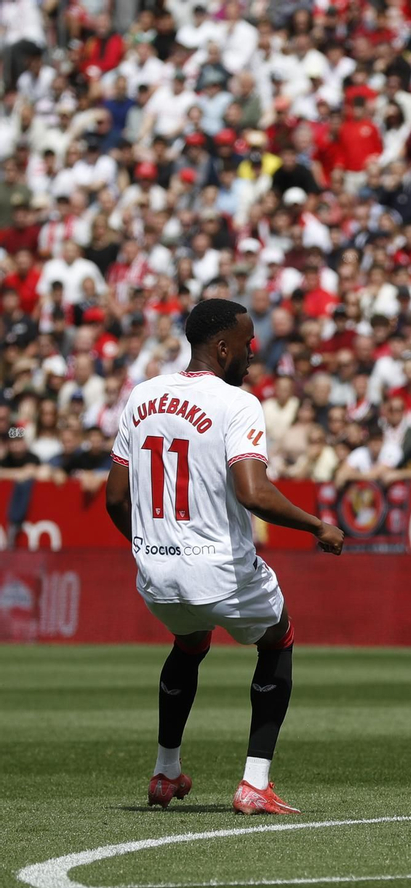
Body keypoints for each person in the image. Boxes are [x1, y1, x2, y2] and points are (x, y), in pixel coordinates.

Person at [103, 299, 346, 816]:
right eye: (247, 342)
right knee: (278, 639)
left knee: (189, 642)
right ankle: (254, 783)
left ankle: (166, 773)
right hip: (219, 570)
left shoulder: (141, 396)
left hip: (155, 574)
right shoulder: (237, 403)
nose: (252, 352)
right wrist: (317, 525)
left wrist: (147, 544)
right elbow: (254, 494)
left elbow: (115, 499)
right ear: (221, 347)